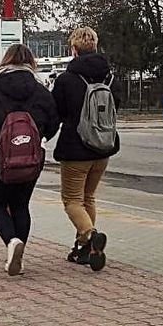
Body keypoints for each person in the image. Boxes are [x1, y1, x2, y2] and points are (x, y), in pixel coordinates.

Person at [0, 44, 59, 276]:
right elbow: (53, 123)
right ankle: (19, 253)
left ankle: (11, 242)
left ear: (5, 61)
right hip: (32, 158)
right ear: (31, 63)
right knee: (21, 205)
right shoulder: (41, 91)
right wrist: (37, 139)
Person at [52, 27, 120, 271]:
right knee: (88, 197)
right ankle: (84, 250)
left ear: (74, 50)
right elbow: (116, 107)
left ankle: (90, 235)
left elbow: (56, 112)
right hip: (103, 147)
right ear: (95, 46)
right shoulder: (110, 77)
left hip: (75, 148)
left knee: (72, 200)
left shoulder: (67, 79)